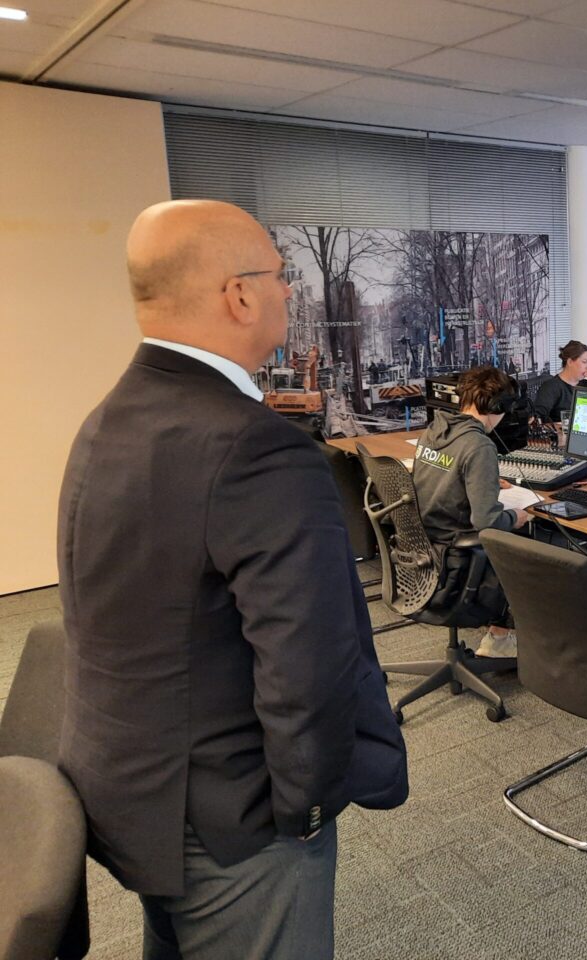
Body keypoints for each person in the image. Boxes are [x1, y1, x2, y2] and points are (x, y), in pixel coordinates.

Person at [57, 199, 406, 960]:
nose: (290, 289)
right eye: (280, 275)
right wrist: (305, 811)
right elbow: (307, 666)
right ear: (239, 295)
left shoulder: (108, 418)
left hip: (128, 786)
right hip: (233, 820)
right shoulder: (257, 450)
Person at [412, 366, 532, 658]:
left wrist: (484, 480)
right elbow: (487, 521)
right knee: (526, 538)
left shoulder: (434, 431)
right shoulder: (479, 446)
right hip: (456, 562)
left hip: (423, 553)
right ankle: (500, 639)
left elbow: (441, 477)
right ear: (498, 407)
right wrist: (517, 516)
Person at [532, 339, 587, 426]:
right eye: (584, 362)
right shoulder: (550, 387)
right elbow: (537, 419)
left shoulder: (586, 385)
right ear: (570, 362)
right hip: (560, 433)